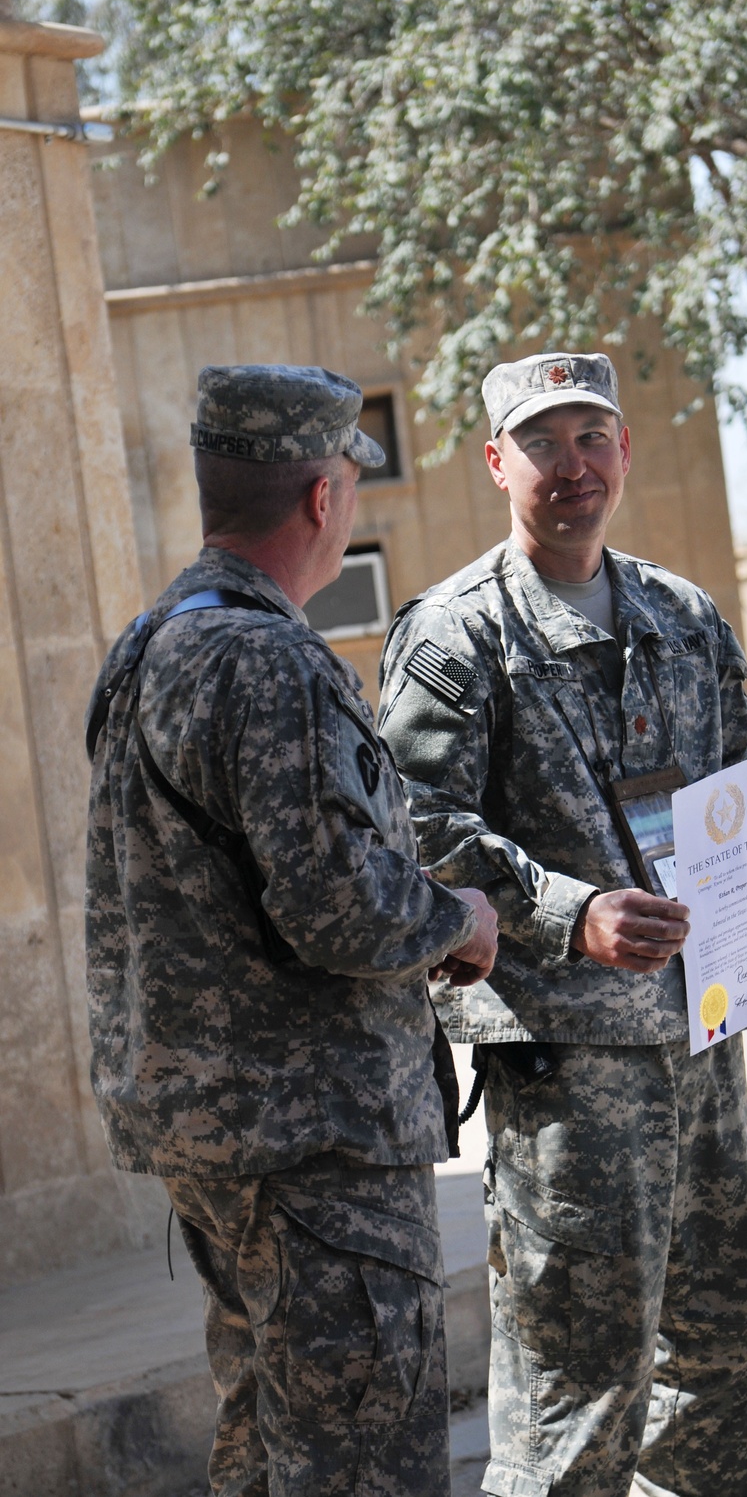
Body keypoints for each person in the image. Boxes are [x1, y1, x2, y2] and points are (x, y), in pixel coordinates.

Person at [378, 351, 747, 1497]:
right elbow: (415, 828)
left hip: (705, 1032)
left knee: (723, 1352)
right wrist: (567, 913)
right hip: (571, 1066)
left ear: (623, 450)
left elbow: (740, 774)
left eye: (590, 437)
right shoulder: (454, 638)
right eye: (542, 443)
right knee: (580, 1380)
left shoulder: (684, 616)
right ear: (496, 463)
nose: (570, 466)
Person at [84, 364, 498, 1497]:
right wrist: (459, 916)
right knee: (363, 1453)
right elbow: (339, 907)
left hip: (222, 1134)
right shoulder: (267, 660)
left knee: (270, 1441)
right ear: (324, 497)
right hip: (312, 1139)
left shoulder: (151, 646)